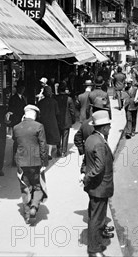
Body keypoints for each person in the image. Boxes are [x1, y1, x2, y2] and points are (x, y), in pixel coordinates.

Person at [83, 110, 115, 257]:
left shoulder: (90, 139)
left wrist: (84, 173)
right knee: (97, 218)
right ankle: (94, 250)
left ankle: (98, 240)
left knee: (94, 215)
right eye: (108, 125)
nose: (110, 127)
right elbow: (99, 167)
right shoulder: (100, 143)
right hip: (100, 186)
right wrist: (87, 177)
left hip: (94, 187)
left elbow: (86, 161)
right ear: (103, 127)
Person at [12, 105, 48, 224]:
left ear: (25, 114)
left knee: (25, 187)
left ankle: (27, 215)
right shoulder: (38, 126)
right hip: (36, 161)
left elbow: (15, 142)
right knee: (38, 186)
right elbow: (43, 145)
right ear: (34, 115)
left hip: (21, 162)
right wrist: (44, 162)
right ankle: (34, 206)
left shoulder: (16, 128)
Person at [37, 85, 61, 160]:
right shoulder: (54, 102)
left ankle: (43, 152)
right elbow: (57, 113)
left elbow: (38, 113)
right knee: (50, 138)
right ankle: (49, 153)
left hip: (42, 121)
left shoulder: (40, 102)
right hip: (52, 121)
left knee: (43, 137)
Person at [7, 84, 27, 166]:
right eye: (21, 88)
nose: (23, 90)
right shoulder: (13, 98)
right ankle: (14, 160)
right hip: (16, 122)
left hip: (22, 122)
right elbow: (11, 110)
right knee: (16, 141)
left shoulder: (23, 98)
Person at [56, 83, 76, 158]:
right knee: (65, 136)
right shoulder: (69, 99)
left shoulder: (55, 98)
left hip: (57, 119)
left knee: (58, 135)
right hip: (66, 120)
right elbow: (72, 111)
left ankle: (58, 149)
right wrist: (73, 119)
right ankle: (63, 152)